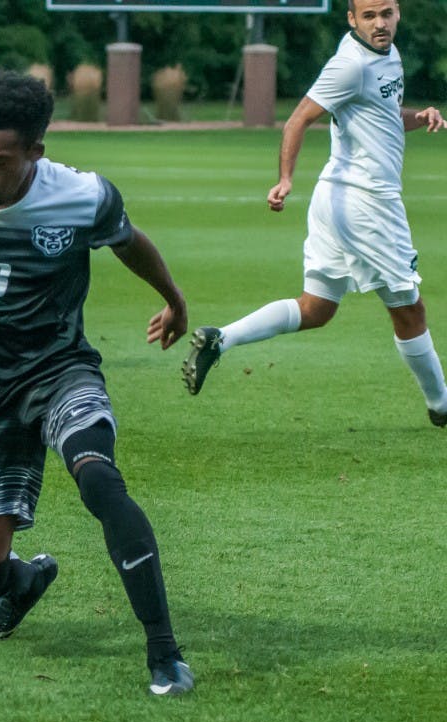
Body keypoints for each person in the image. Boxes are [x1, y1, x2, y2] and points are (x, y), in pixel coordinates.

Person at [0, 71, 194, 695]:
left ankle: (164, 652)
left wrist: (174, 299)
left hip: (60, 370)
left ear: (36, 150)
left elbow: (129, 242)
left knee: (100, 480)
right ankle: (26, 581)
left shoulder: (82, 197)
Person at [183, 0, 447, 428]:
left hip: (335, 201)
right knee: (409, 309)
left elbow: (382, 116)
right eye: (369, 15)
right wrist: (285, 179)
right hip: (367, 206)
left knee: (316, 308)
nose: (380, 23)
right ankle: (442, 406)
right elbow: (298, 119)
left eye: (388, 13)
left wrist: (420, 116)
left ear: (398, 13)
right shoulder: (350, 64)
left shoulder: (388, 56)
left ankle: (221, 339)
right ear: (351, 19)